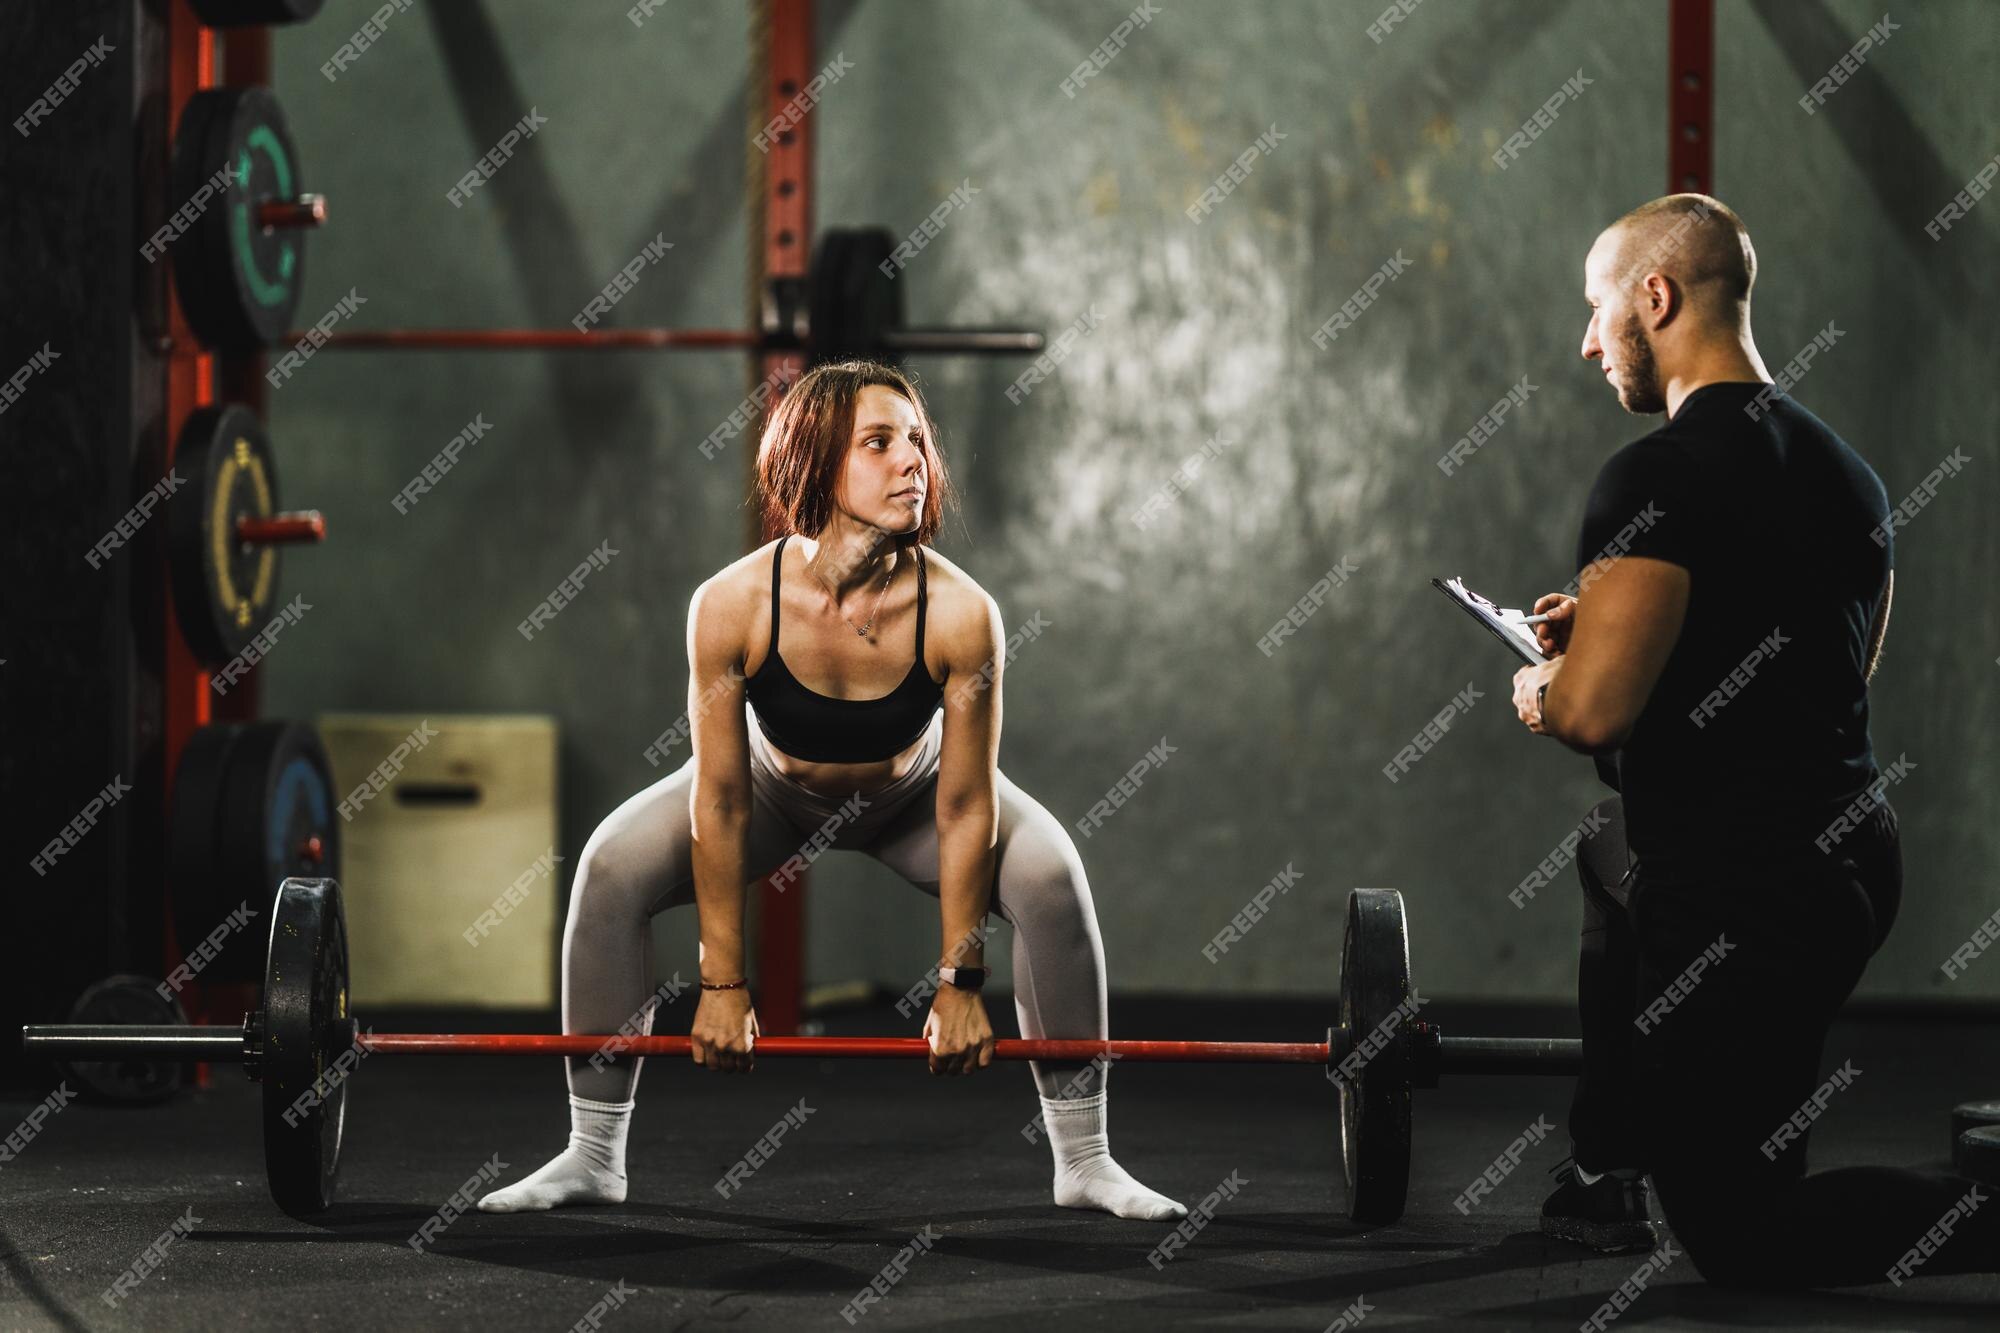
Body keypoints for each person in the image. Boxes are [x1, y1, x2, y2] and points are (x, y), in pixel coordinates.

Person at [478, 360, 1185, 1223]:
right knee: (610, 866)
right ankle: (591, 1156)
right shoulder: (731, 605)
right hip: (773, 790)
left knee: (1050, 878)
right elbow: (723, 800)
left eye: (918, 440)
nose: (913, 460)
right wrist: (724, 983)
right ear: (815, 460)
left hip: (914, 798)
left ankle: (1085, 1160)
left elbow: (966, 806)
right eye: (880, 442)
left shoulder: (963, 614)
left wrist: (960, 980)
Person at [1507, 192, 1997, 1288]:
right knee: (1608, 847)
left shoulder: (1650, 477)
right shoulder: (1844, 471)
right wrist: (1611, 632)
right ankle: (1604, 1163)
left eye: (1595, 311)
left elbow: (1592, 716)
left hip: (1745, 897)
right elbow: (1821, 665)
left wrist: (1545, 683)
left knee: (1738, 1235)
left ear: (1654, 295)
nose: (1588, 342)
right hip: (1850, 864)